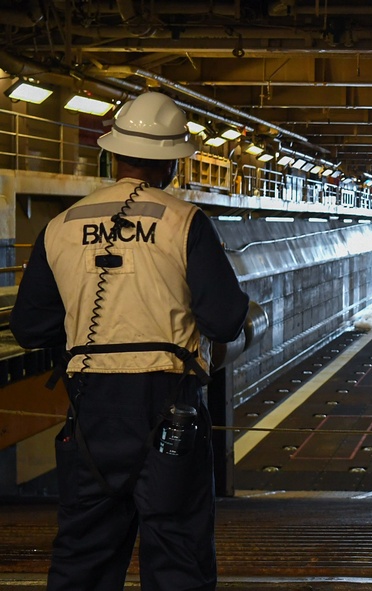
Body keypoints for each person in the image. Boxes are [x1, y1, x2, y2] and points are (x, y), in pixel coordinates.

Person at [10, 91, 249, 591]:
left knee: (84, 555)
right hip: (169, 404)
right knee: (176, 551)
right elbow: (226, 320)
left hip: (91, 407)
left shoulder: (60, 226)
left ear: (113, 154)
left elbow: (30, 327)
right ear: (172, 165)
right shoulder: (185, 222)